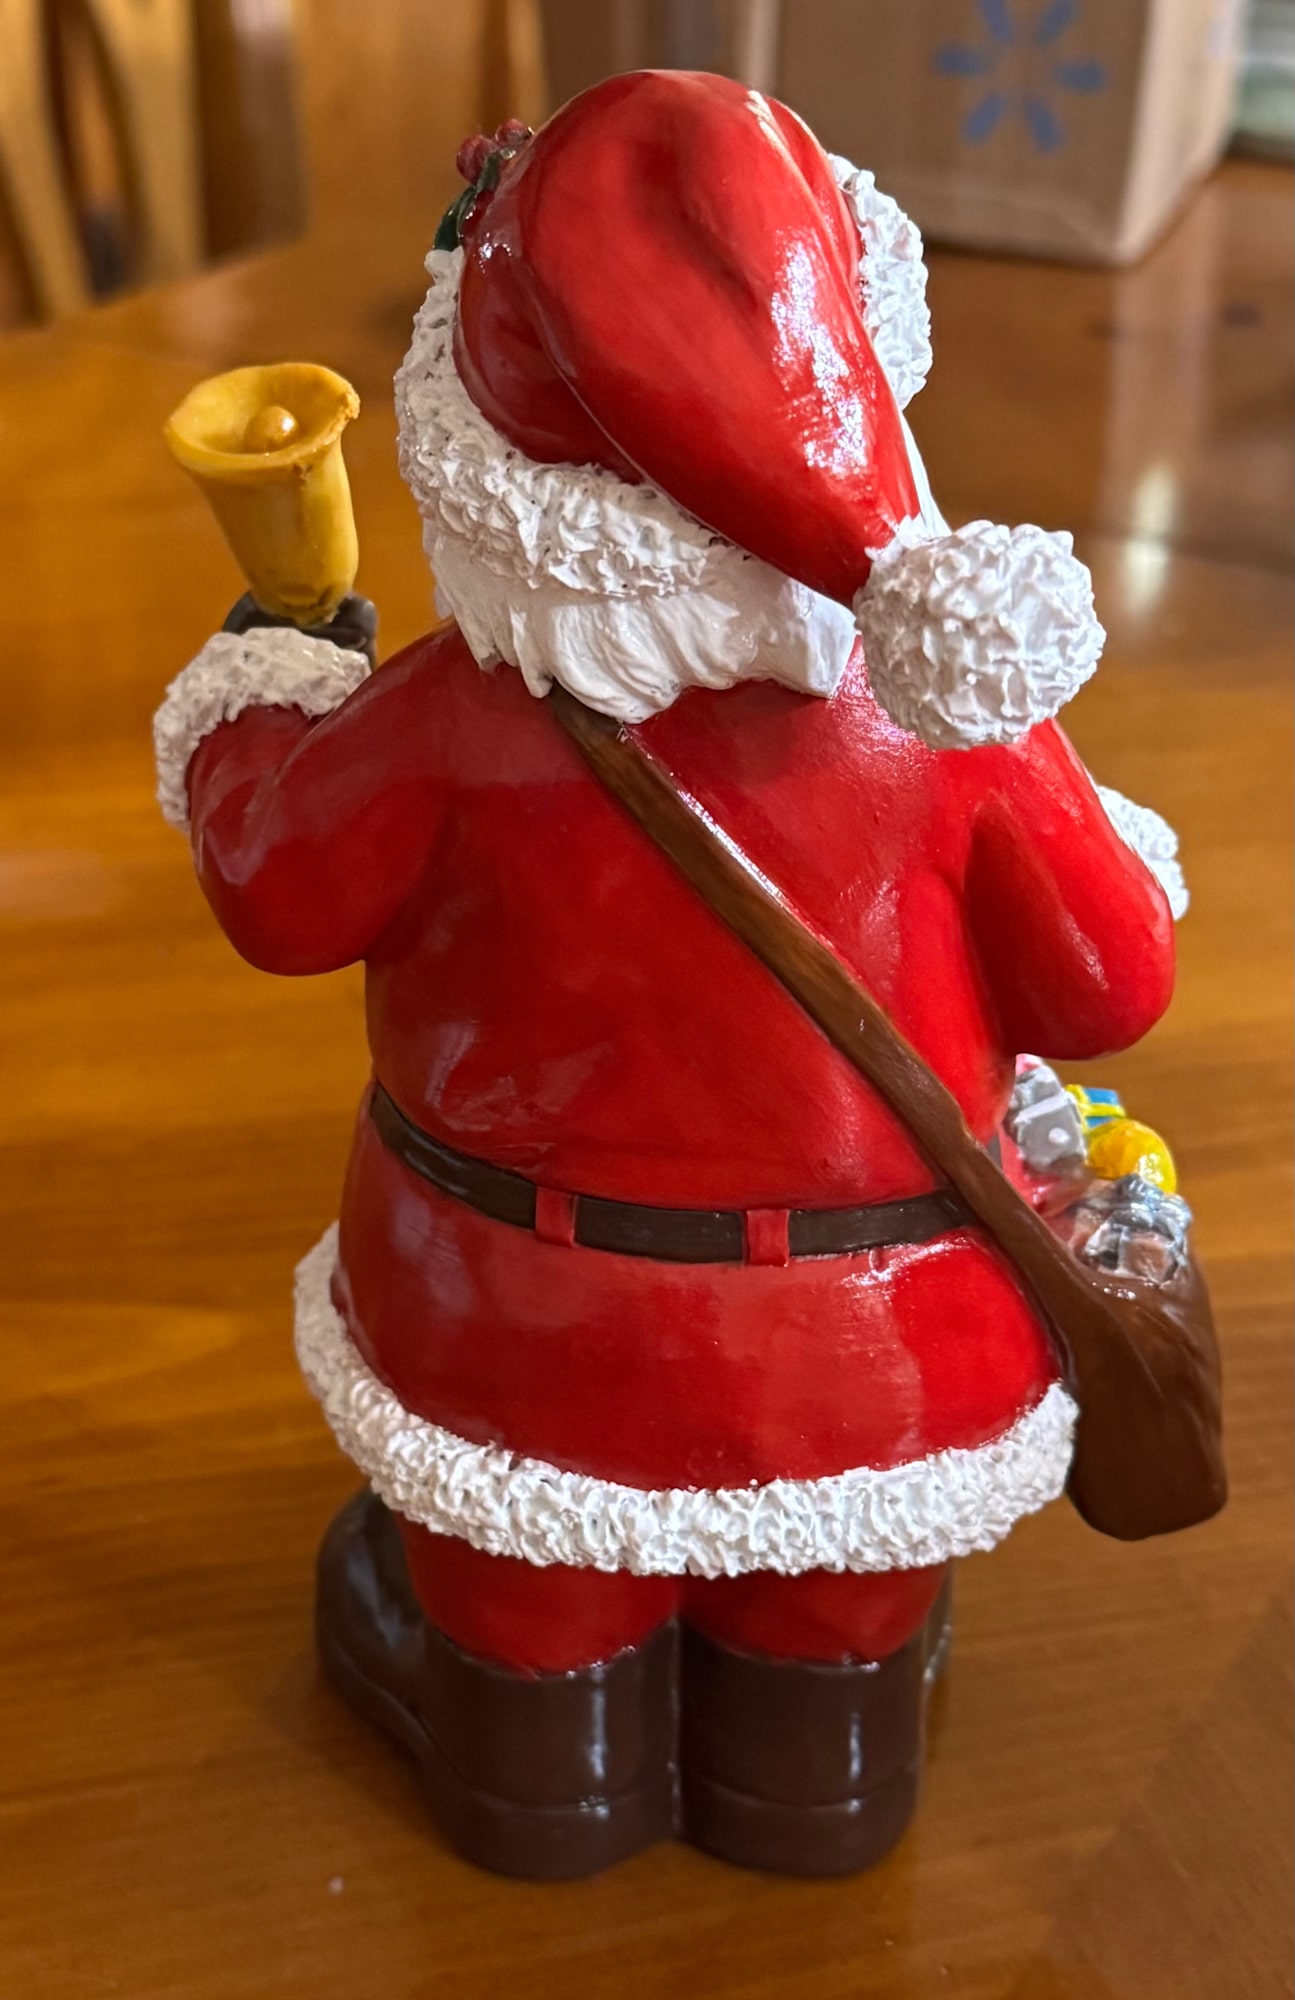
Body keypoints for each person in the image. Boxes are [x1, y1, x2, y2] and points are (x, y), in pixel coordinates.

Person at [155, 70, 1181, 1878]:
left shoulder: (449, 723)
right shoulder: (950, 730)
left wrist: (281, 662)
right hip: (877, 1349)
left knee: (526, 1586)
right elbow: (1110, 986)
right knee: (836, 1604)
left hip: (517, 1329)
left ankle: (542, 1770)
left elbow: (275, 886)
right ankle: (815, 1764)